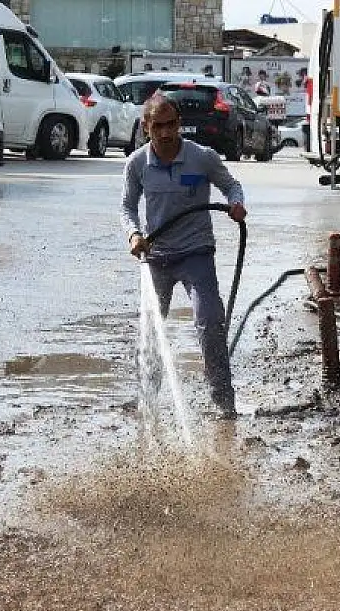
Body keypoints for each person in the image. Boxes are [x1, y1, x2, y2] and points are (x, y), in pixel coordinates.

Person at [121, 93, 247, 417]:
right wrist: (134, 234)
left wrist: (236, 204)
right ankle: (147, 404)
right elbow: (126, 207)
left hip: (196, 254)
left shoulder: (202, 157)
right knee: (151, 330)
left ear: (180, 124)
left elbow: (232, 186)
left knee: (210, 322)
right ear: (146, 127)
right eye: (158, 126)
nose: (165, 133)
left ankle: (224, 404)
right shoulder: (136, 163)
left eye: (171, 125)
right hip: (157, 256)